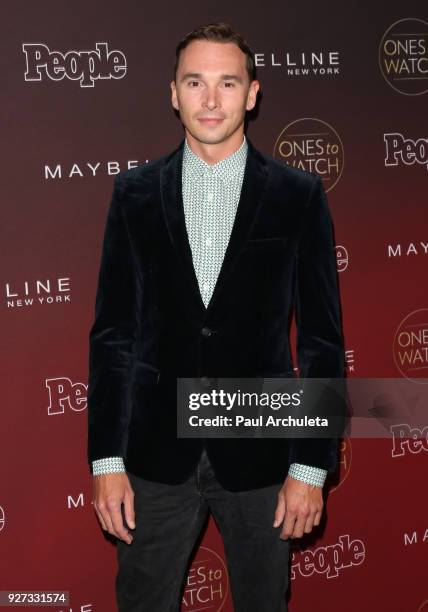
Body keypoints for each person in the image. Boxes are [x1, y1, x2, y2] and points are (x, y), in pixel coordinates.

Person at [87, 22, 345, 612]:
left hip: (263, 451)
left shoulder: (297, 195)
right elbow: (113, 337)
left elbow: (323, 343)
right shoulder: (133, 195)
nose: (210, 100)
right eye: (195, 82)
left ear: (252, 93)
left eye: (227, 83)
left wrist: (310, 463)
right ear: (172, 93)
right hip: (154, 454)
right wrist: (106, 459)